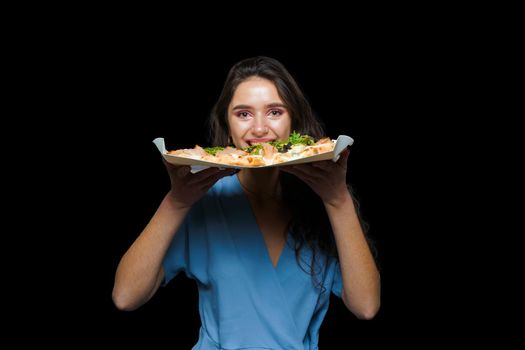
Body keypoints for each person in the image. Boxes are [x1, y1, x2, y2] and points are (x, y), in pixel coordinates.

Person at [112, 56, 380, 349]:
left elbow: (366, 307)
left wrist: (338, 199)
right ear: (227, 127)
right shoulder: (203, 200)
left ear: (294, 123)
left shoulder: (322, 202)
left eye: (275, 112)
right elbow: (126, 297)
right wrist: (176, 201)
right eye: (243, 114)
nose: (260, 130)